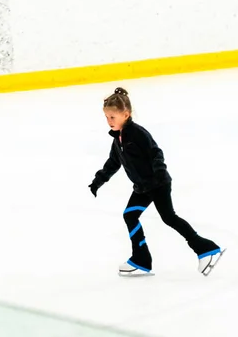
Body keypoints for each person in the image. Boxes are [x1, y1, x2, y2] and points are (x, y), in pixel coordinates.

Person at [88, 87, 224, 276]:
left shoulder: (137, 134)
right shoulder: (118, 140)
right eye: (107, 117)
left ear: (125, 114)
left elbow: (156, 153)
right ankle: (141, 259)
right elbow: (113, 163)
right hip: (142, 187)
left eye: (113, 117)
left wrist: (159, 172)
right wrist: (98, 181)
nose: (109, 121)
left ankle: (206, 249)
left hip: (157, 183)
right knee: (130, 215)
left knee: (169, 217)